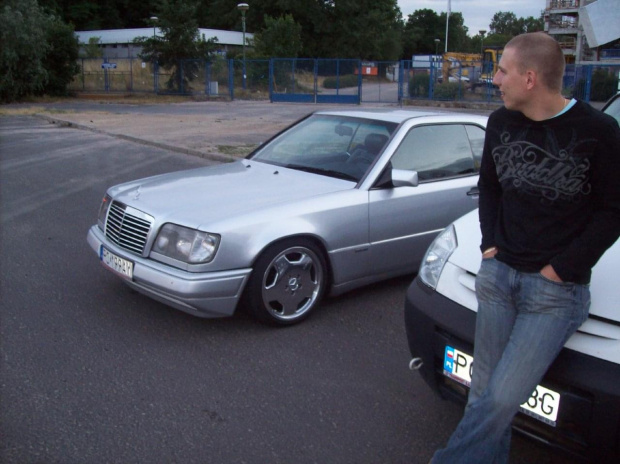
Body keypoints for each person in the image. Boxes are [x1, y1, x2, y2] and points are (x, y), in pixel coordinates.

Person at [431, 32, 620, 463]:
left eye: (502, 71)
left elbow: (614, 210)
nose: (495, 79)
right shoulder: (501, 123)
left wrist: (562, 268)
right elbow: (490, 187)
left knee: (499, 399)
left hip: (554, 294)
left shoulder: (598, 131)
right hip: (498, 278)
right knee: (482, 393)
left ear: (530, 78)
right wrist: (489, 245)